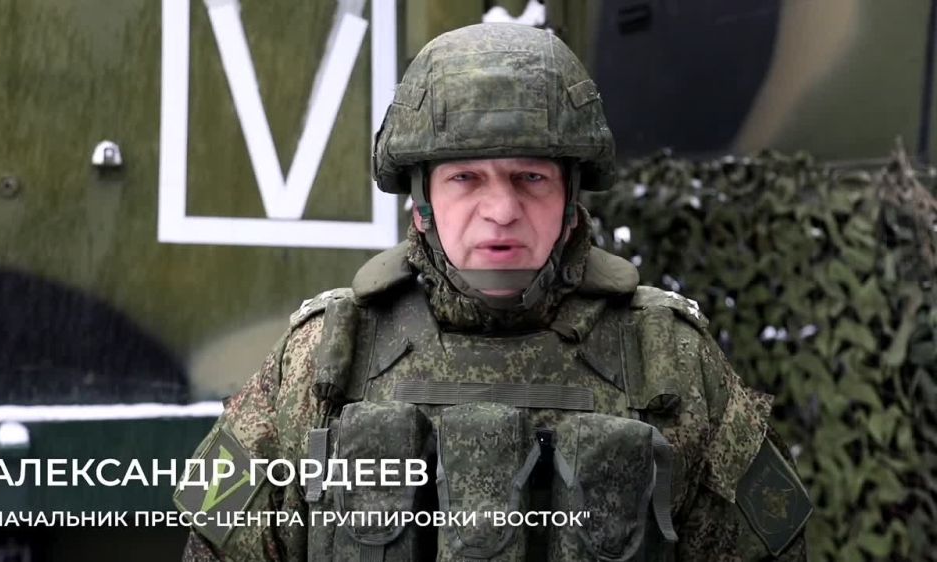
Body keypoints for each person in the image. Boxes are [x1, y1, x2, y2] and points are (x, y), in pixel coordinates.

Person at [177, 22, 811, 561]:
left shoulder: (670, 362)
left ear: (570, 199)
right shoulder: (324, 358)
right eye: (466, 179)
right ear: (422, 201)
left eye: (530, 177)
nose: (502, 210)